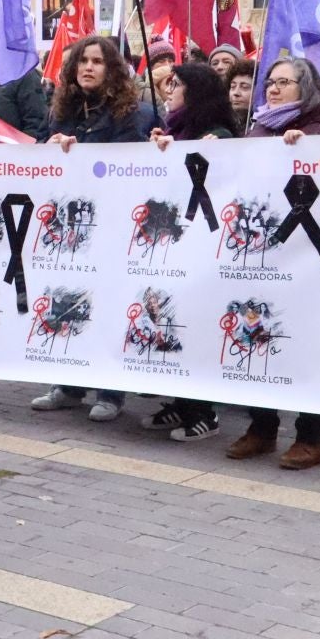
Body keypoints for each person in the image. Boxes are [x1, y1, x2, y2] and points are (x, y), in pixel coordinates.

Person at [230, 57, 320, 469]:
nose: (274, 89)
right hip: (263, 255)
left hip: (306, 262)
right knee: (258, 337)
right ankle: (261, 427)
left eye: (285, 82)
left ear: (306, 88)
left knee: (304, 344)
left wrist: (311, 153)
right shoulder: (259, 128)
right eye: (271, 83)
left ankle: (312, 436)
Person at [31, 35, 154, 420]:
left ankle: (111, 391)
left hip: (113, 224)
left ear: (111, 68)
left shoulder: (132, 112)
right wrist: (50, 144)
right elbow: (39, 155)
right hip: (72, 225)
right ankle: (68, 385)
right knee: (70, 299)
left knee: (111, 305)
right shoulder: (63, 109)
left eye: (97, 61)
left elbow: (130, 164)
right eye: (83, 60)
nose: (88, 67)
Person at [142, 63, 236, 442]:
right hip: (174, 246)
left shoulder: (219, 135)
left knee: (195, 324)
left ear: (195, 94)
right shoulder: (175, 130)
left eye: (176, 85)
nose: (168, 90)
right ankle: (181, 403)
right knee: (171, 321)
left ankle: (204, 413)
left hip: (204, 248)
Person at [226, 59, 257, 136]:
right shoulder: (221, 124)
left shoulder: (264, 127)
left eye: (244, 87)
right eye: (233, 87)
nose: (236, 93)